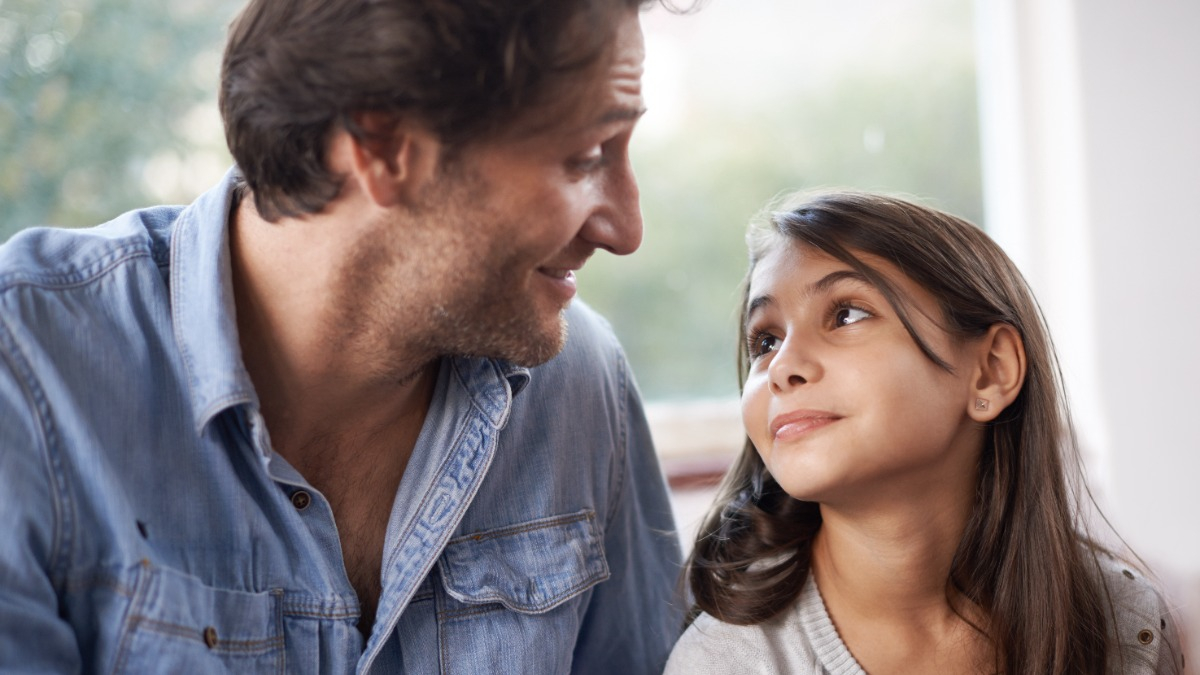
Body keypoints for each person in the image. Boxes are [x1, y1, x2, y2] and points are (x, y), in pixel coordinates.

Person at [0, 0, 684, 672]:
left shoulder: (579, 384)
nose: (626, 229)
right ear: (382, 148)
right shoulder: (27, 377)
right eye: (585, 156)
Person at [665, 191, 1184, 674]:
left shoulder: (1126, 624)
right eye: (765, 341)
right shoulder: (722, 662)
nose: (782, 367)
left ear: (991, 370)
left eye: (845, 314)